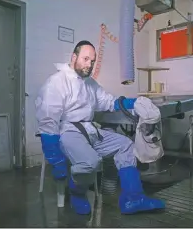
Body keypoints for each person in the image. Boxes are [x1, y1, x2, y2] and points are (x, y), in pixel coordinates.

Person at [35, 40, 165, 215]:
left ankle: (132, 199)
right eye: (85, 59)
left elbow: (107, 101)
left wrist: (130, 103)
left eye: (92, 61)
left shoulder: (90, 83)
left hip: (89, 130)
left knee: (125, 144)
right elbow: (48, 122)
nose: (89, 64)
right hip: (68, 132)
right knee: (91, 162)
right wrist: (56, 158)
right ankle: (77, 193)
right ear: (74, 57)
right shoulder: (56, 83)